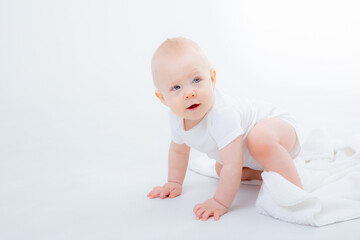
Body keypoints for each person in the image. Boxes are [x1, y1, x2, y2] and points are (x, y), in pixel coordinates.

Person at [147, 37, 303, 221]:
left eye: (196, 80)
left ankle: (293, 187)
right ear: (163, 98)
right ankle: (269, 172)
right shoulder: (176, 118)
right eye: (176, 87)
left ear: (212, 79)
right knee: (222, 169)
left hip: (278, 130)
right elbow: (178, 151)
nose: (189, 92)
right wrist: (174, 182)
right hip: (250, 155)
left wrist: (220, 201)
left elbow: (233, 164)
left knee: (255, 142)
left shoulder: (222, 114)